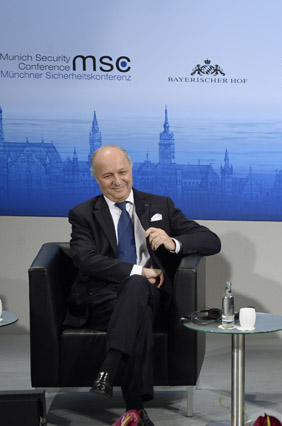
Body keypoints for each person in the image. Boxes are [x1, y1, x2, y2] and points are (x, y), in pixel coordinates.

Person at [65, 145, 221, 425]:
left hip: (152, 295)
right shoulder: (83, 214)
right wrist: (138, 270)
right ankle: (135, 408)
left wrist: (173, 242)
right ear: (96, 178)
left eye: (122, 172)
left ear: (131, 169)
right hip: (102, 298)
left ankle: (109, 370)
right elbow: (85, 259)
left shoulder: (160, 205)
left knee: (137, 290)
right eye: (108, 175)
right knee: (138, 297)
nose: (117, 181)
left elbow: (211, 241)